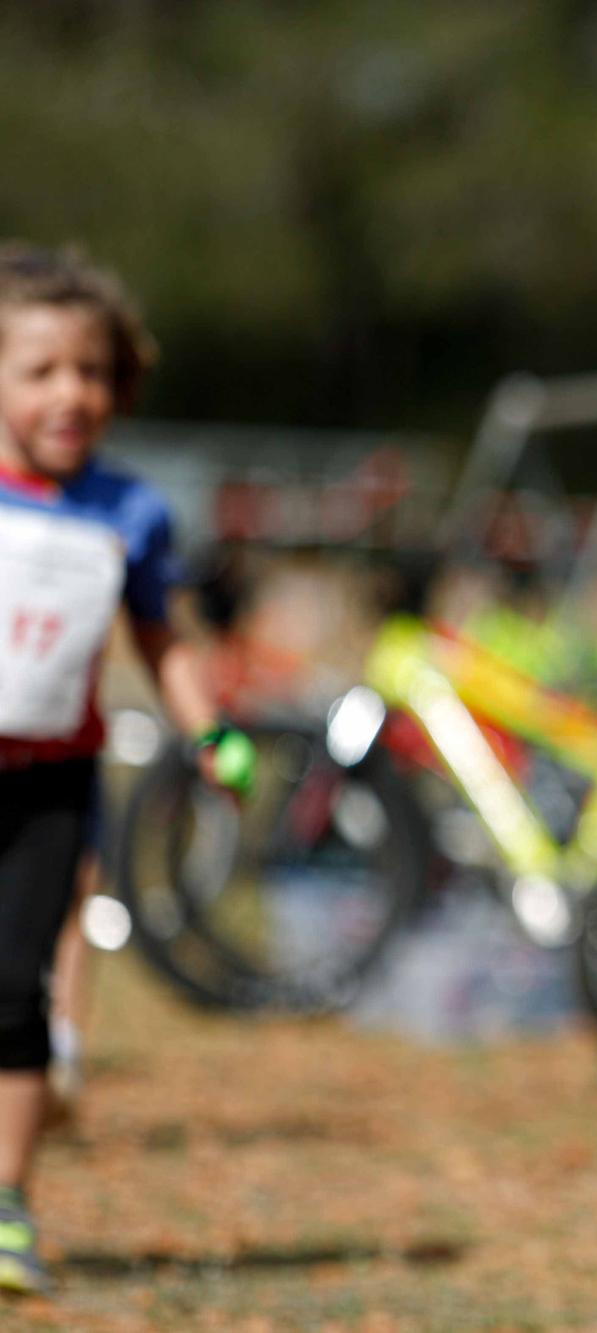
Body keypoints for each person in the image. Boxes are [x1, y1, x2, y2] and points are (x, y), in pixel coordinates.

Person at [0, 243, 248, 1296]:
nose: (73, 392)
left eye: (93, 371)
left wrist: (209, 731)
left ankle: (6, 1199)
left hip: (51, 787)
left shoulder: (129, 513)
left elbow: (164, 638)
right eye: (43, 368)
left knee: (16, 990)